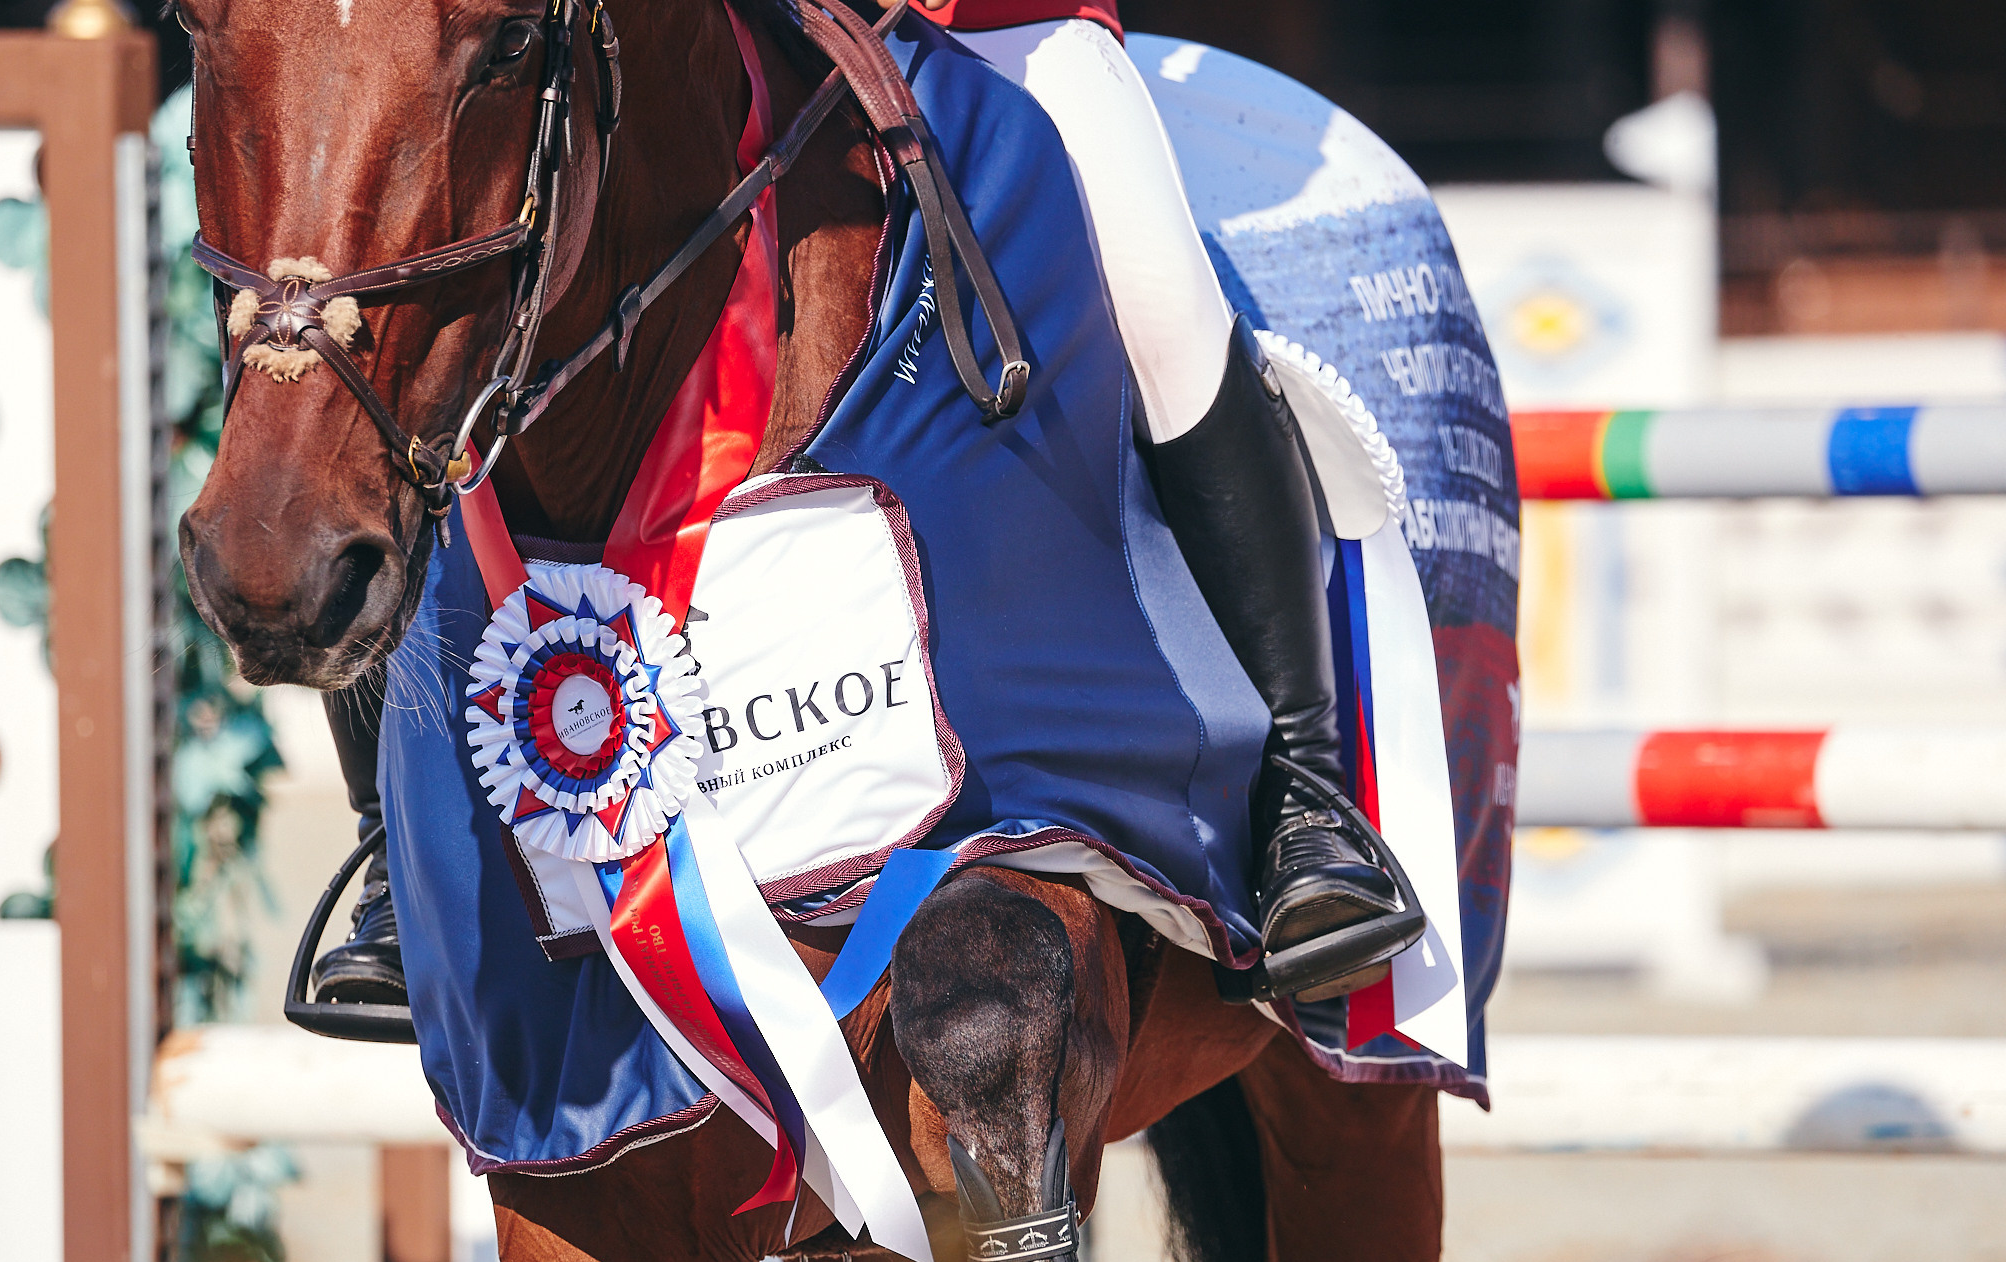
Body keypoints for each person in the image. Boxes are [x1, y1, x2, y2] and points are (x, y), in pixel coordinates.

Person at [305, 0, 1404, 1008]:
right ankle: (395, 855)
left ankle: (1305, 800)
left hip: (991, 29)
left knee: (1160, 302)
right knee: (401, 287)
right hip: (687, 34)